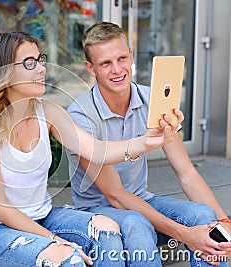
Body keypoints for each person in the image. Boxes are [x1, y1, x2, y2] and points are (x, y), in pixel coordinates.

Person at [0, 31, 181, 266]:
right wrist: (55, 240)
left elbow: (96, 150)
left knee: (107, 229)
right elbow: (0, 209)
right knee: (67, 259)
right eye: (29, 64)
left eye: (40, 60)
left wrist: (146, 141)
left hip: (41, 216)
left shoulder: (48, 112)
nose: (42, 69)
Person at [66, 21, 231, 267]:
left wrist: (223, 220)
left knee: (203, 216)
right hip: (98, 209)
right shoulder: (79, 116)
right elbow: (115, 196)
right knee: (136, 223)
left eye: (122, 58)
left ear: (131, 55)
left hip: (143, 198)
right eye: (105, 63)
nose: (117, 69)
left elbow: (186, 172)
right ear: (90, 68)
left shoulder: (152, 100)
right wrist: (185, 235)